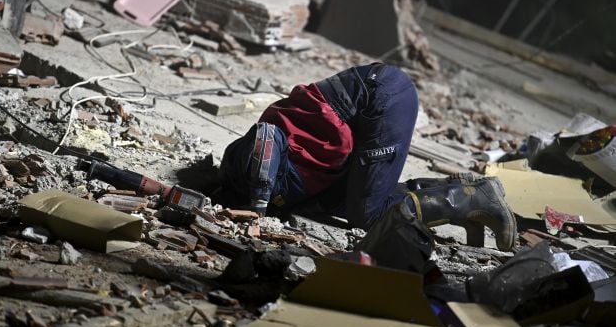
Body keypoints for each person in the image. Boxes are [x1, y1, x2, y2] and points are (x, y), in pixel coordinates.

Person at [219, 62, 517, 251]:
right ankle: (458, 192)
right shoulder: (288, 182)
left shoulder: (243, 166)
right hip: (367, 105)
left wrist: (256, 210)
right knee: (351, 204)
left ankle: (473, 199)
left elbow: (266, 139)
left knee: (368, 215)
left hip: (379, 97)